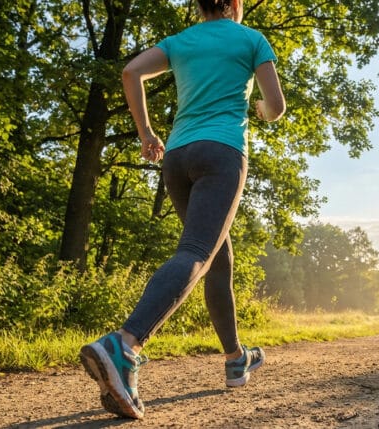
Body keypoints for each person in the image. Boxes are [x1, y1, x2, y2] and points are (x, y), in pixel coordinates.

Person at [78, 0, 285, 419]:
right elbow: (275, 105)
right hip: (222, 152)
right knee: (195, 251)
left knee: (216, 256)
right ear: (233, 4)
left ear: (199, 5)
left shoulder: (180, 41)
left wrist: (146, 132)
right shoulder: (251, 40)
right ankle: (125, 344)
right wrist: (261, 111)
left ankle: (234, 359)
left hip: (177, 155)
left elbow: (131, 71)